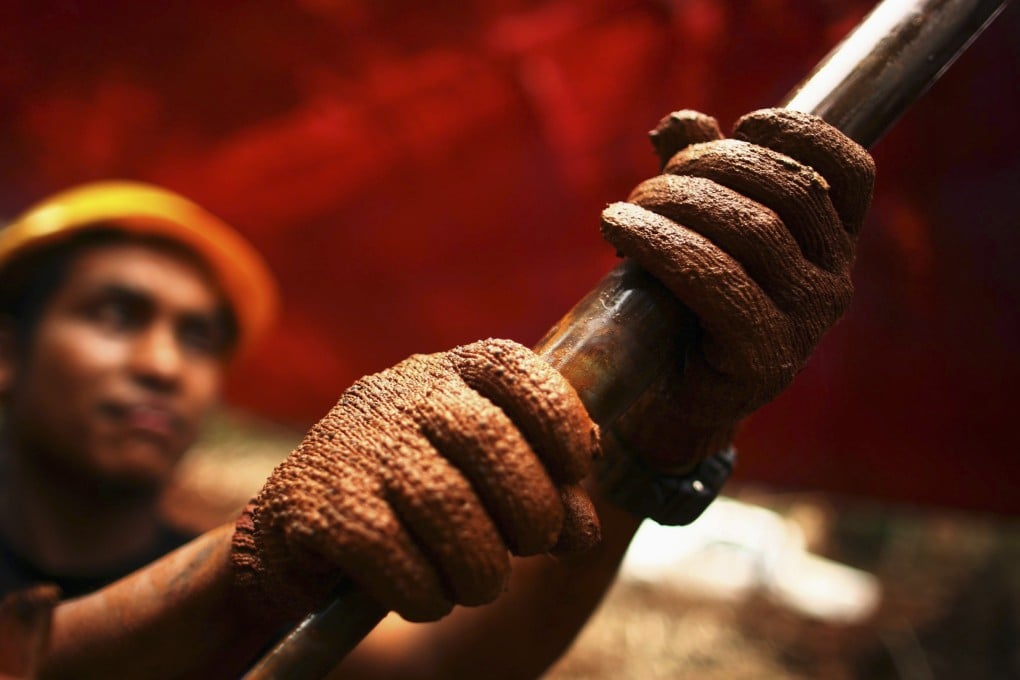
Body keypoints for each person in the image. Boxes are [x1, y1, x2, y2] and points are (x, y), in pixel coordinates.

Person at [0, 107, 873, 678]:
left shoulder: (204, 571)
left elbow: (444, 670)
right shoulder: (247, 582)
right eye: (116, 316)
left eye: (199, 337)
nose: (162, 364)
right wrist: (259, 557)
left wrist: (649, 445)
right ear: (8, 349)